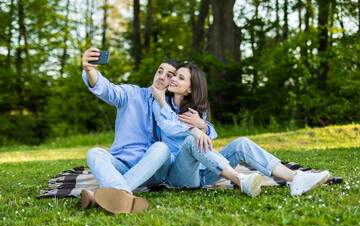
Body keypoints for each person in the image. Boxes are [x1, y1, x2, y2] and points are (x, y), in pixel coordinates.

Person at [151, 62, 330, 197]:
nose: (173, 79)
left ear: (190, 88)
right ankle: (240, 179)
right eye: (175, 75)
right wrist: (193, 129)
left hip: (205, 174)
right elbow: (169, 127)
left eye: (180, 78)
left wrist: (204, 127)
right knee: (191, 140)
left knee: (241, 143)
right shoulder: (159, 104)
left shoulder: (197, 109)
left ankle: (295, 179)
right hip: (179, 176)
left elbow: (206, 146)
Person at [80, 48, 216, 213]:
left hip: (156, 171)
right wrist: (89, 70)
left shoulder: (174, 107)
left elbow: (187, 129)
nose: (161, 77)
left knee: (161, 147)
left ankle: (107, 194)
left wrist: (203, 126)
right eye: (160, 71)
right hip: (123, 164)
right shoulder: (132, 94)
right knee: (94, 153)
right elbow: (107, 90)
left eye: (169, 75)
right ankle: (120, 194)